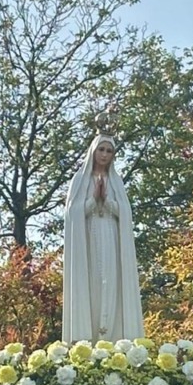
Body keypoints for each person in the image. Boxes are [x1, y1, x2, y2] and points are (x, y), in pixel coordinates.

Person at [62, 133, 144, 343]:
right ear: (93, 151)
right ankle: (88, 340)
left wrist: (106, 200)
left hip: (111, 237)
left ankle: (113, 337)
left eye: (109, 151)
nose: (104, 155)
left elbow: (124, 213)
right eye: (101, 149)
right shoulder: (80, 180)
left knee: (111, 284)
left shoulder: (116, 183)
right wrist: (93, 200)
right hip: (87, 240)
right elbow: (72, 213)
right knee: (93, 286)